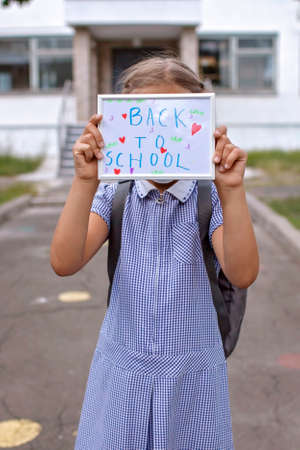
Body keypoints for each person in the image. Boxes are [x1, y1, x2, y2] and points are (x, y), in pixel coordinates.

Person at [50, 55, 259, 450]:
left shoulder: (210, 196)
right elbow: (64, 261)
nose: (162, 136)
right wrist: (84, 183)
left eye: (176, 120)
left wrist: (232, 191)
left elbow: (243, 271)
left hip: (192, 376)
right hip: (124, 370)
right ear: (123, 126)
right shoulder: (115, 193)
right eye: (146, 121)